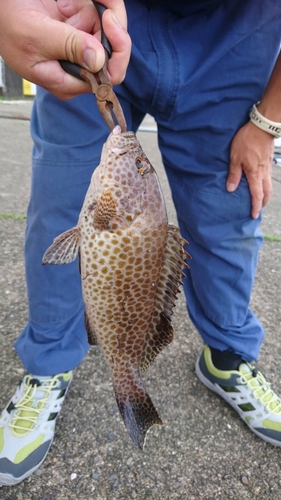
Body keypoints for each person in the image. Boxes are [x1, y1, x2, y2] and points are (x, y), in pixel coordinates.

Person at [0, 0, 281, 487]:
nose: (137, 158)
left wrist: (266, 123)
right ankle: (48, 363)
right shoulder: (105, 207)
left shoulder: (115, 206)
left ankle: (227, 356)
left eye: (139, 165)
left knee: (227, 213)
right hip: (98, 19)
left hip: (239, 35)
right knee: (60, 200)